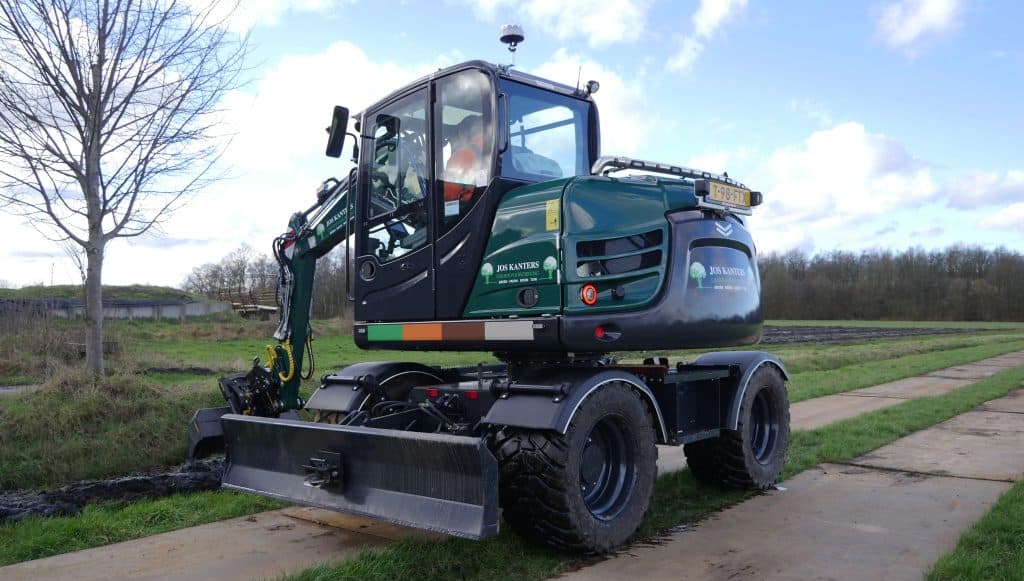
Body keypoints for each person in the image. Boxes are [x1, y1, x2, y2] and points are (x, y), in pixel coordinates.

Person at [443, 114, 484, 206]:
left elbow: (449, 197)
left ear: (465, 133)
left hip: (471, 208)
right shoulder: (508, 155)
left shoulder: (460, 157)